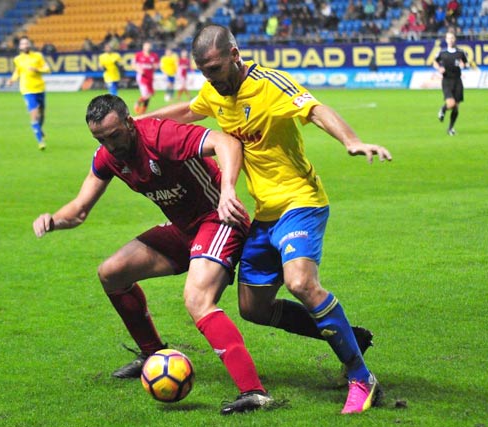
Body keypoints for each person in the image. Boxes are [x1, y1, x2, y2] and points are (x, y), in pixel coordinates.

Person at [138, 24, 392, 414]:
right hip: (264, 213)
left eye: (217, 69)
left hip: (300, 201)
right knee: (253, 308)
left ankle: (361, 375)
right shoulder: (214, 90)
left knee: (301, 282)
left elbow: (315, 109)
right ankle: (347, 337)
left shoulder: (270, 83)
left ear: (235, 54)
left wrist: (351, 141)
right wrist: (140, 127)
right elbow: (189, 110)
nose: (213, 78)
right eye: (205, 71)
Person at [33, 94, 275, 415]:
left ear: (130, 123)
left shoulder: (161, 136)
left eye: (115, 135)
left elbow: (226, 142)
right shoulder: (108, 156)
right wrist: (53, 220)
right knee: (112, 273)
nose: (110, 144)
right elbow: (78, 210)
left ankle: (254, 392)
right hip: (184, 229)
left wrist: (229, 189)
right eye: (101, 139)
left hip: (219, 220)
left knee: (197, 299)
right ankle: (151, 353)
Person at [6, 36, 51, 150]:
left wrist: (37, 70)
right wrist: (12, 79)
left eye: (26, 43)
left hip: (40, 88)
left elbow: (47, 69)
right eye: (22, 44)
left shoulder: (38, 56)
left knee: (42, 114)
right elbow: (17, 71)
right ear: (20, 47)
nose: (25, 45)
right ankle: (40, 141)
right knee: (34, 114)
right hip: (27, 89)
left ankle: (39, 129)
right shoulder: (18, 59)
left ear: (30, 45)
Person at [435, 31, 468, 136]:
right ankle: (443, 109)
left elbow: (465, 62)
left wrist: (463, 65)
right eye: (448, 38)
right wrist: (439, 68)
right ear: (446, 40)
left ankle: (450, 128)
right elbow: (435, 62)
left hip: (457, 81)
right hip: (447, 81)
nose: (450, 40)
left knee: (456, 107)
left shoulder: (460, 52)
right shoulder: (442, 53)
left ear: (455, 39)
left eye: (452, 38)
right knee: (451, 104)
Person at [132, 41, 159, 114]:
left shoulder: (154, 55)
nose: (147, 48)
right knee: (146, 95)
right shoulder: (138, 55)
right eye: (146, 46)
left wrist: (156, 66)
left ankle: (142, 111)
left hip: (150, 77)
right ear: (143, 47)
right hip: (142, 77)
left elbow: (156, 65)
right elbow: (133, 65)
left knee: (150, 95)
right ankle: (138, 105)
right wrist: (139, 70)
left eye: (149, 46)